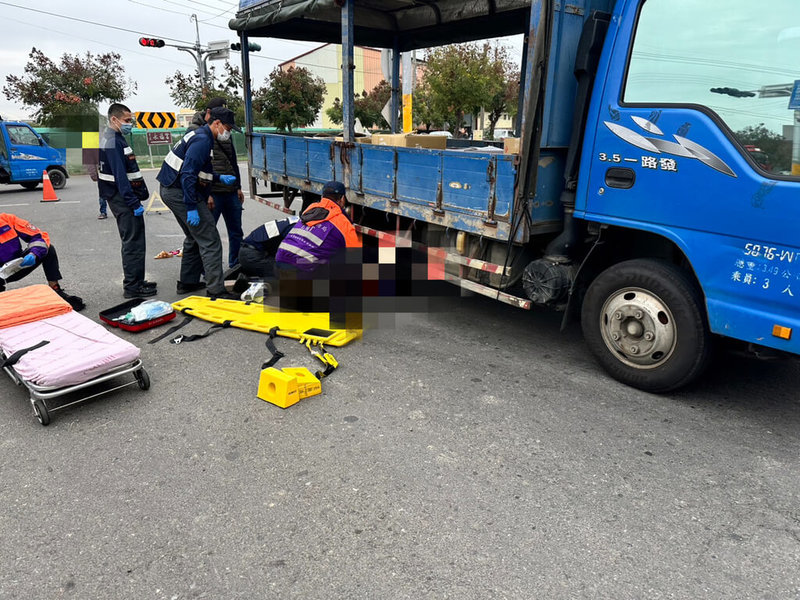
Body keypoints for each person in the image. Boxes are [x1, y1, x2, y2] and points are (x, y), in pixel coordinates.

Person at [156, 106, 241, 299]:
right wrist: (192, 207)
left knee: (194, 237)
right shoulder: (202, 140)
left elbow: (198, 169)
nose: (228, 133)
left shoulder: (201, 135)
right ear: (217, 123)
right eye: (227, 128)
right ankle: (216, 289)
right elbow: (188, 174)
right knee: (210, 239)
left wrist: (218, 178)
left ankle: (188, 283)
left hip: (170, 188)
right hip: (179, 191)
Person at [98, 103, 155, 299]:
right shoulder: (112, 141)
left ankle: (137, 280)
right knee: (133, 243)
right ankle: (132, 286)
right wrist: (133, 202)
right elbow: (120, 176)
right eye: (127, 120)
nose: (130, 124)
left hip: (120, 196)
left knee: (136, 240)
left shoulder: (114, 138)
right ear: (114, 119)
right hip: (122, 198)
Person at [0, 213, 85, 311]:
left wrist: (34, 254)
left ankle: (55, 289)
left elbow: (39, 236)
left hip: (15, 266)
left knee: (49, 249)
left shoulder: (7, 219)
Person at [275, 180, 361, 271]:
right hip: (302, 269)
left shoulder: (310, 210)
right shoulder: (343, 222)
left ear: (322, 196)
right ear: (343, 199)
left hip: (280, 260)